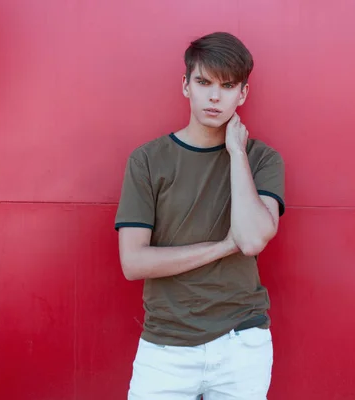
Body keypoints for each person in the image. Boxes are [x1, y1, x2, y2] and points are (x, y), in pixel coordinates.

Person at [115, 31, 285, 400]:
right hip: (166, 346)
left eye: (227, 86)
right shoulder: (147, 160)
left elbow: (253, 239)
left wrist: (236, 153)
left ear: (242, 94)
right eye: (203, 82)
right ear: (185, 85)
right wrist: (225, 245)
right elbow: (133, 262)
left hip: (242, 343)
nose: (214, 96)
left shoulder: (262, 159)